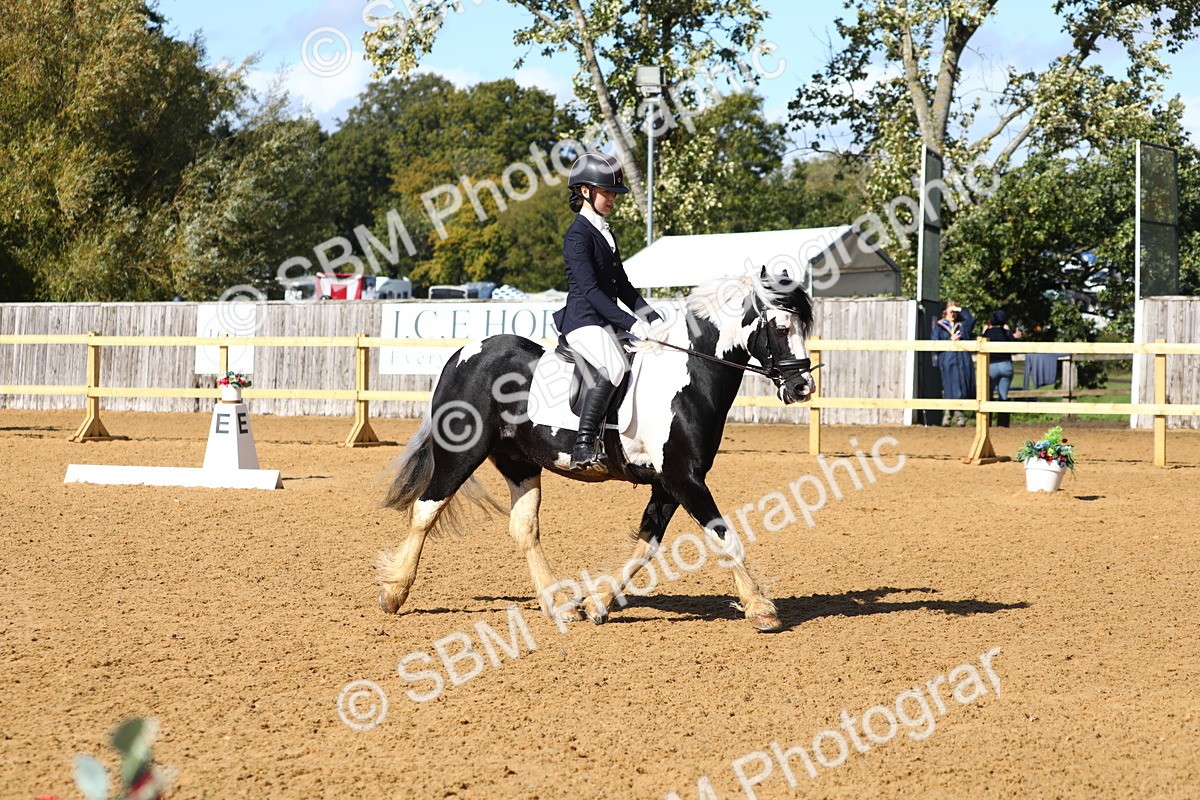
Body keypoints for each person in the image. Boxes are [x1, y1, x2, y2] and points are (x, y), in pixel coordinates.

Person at [553, 152, 662, 469]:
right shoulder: (578, 235)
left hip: (606, 322)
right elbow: (590, 291)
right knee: (614, 366)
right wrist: (631, 323)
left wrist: (652, 318)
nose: (613, 199)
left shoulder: (604, 231)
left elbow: (622, 285)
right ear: (585, 191)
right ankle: (583, 444)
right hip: (583, 322)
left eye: (615, 193)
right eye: (607, 192)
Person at [932, 302, 975, 426]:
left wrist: (960, 309)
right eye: (951, 311)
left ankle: (958, 415)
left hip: (962, 360)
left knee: (961, 387)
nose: (953, 314)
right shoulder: (939, 326)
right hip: (948, 360)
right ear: (945, 311)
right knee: (949, 387)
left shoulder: (962, 325)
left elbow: (971, 320)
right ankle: (948, 415)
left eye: (955, 312)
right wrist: (949, 341)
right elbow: (934, 343)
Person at [982, 310, 1017, 427]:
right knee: (1003, 395)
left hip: (992, 366)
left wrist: (983, 332)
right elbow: (1015, 349)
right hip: (1006, 365)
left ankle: (987, 423)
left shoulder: (988, 333)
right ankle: (1003, 424)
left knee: (988, 395)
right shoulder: (1007, 333)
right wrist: (1016, 337)